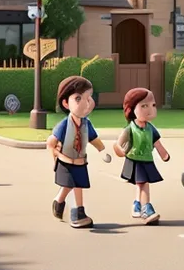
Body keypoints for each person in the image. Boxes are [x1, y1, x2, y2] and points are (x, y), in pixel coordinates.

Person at [46, 76, 111, 229]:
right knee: (72, 184)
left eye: (88, 98)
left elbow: (93, 138)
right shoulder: (64, 125)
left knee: (75, 185)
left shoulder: (86, 124)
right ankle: (77, 213)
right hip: (66, 160)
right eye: (78, 98)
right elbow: (52, 140)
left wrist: (102, 150)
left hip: (81, 161)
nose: (84, 103)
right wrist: (53, 152)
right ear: (65, 103)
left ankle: (59, 201)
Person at [114, 88, 170, 225]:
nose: (150, 109)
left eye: (153, 105)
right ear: (132, 109)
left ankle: (137, 204)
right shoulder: (130, 129)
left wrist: (164, 154)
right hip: (135, 160)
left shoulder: (151, 128)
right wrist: (119, 151)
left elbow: (157, 143)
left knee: (141, 184)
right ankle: (146, 210)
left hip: (147, 160)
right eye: (144, 106)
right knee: (144, 184)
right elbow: (118, 144)